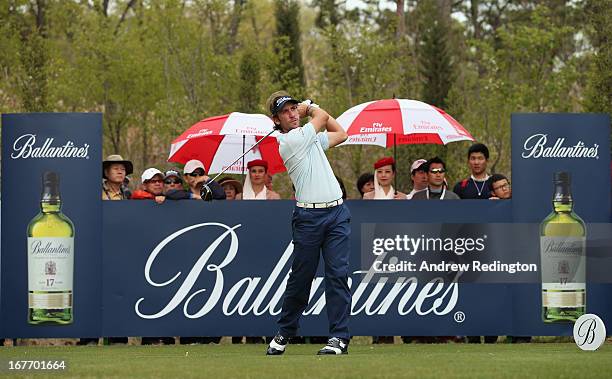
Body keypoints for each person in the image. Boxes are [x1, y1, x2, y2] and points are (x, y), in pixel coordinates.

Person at [265, 92, 351, 356]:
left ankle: (338, 338)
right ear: (276, 120)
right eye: (286, 112)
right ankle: (286, 330)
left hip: (337, 213)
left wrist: (309, 110)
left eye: (294, 109)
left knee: (338, 275)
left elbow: (341, 133)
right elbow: (323, 117)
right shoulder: (290, 141)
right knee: (301, 278)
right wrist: (309, 107)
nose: (292, 114)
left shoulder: (309, 139)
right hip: (308, 219)